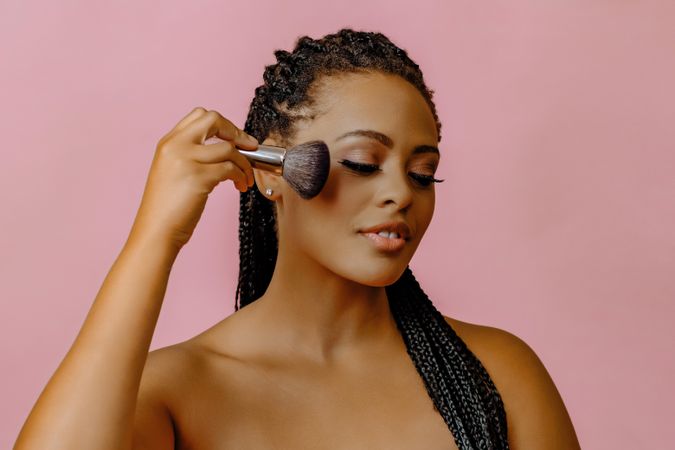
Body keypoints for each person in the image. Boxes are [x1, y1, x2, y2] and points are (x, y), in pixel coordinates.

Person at [14, 28, 580, 450]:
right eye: (362, 162)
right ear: (270, 171)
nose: (401, 194)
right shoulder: (177, 392)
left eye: (422, 172)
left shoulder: (499, 375)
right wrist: (155, 237)